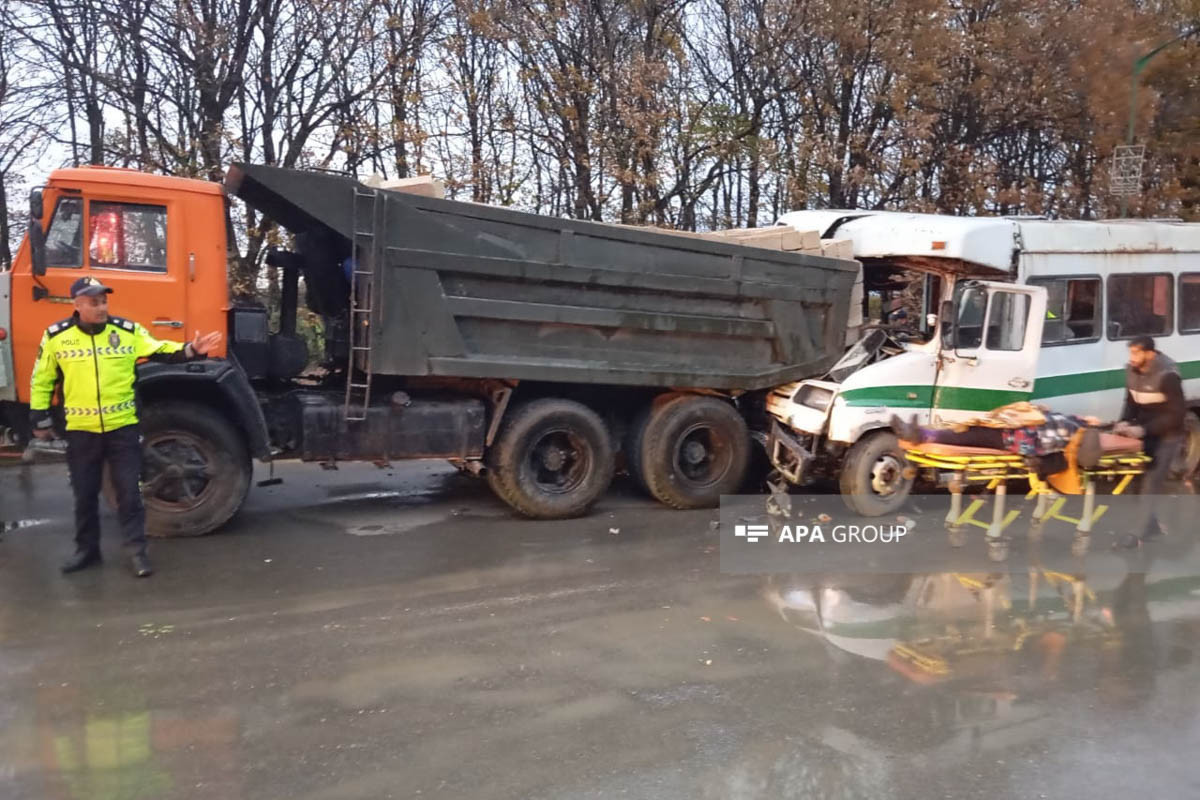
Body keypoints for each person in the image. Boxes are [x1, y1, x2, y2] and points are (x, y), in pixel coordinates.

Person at [29, 277, 222, 577]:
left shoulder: (126, 331)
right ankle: (87, 551)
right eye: (94, 302)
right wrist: (39, 419)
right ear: (77, 305)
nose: (101, 306)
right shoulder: (57, 337)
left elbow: (160, 350)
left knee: (129, 494)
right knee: (84, 494)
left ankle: (137, 552)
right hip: (81, 431)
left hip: (123, 429)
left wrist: (191, 349)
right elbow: (42, 380)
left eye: (103, 300)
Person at [1112, 336, 1186, 547]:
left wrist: (1143, 429)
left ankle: (1136, 536)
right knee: (1136, 480)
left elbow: (1177, 414)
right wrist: (1124, 422)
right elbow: (1130, 401)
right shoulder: (1132, 370)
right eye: (1131, 353)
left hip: (1168, 435)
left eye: (1136, 353)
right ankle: (1151, 526)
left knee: (1150, 482)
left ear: (1150, 353)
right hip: (1144, 433)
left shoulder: (1168, 375)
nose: (1131, 358)